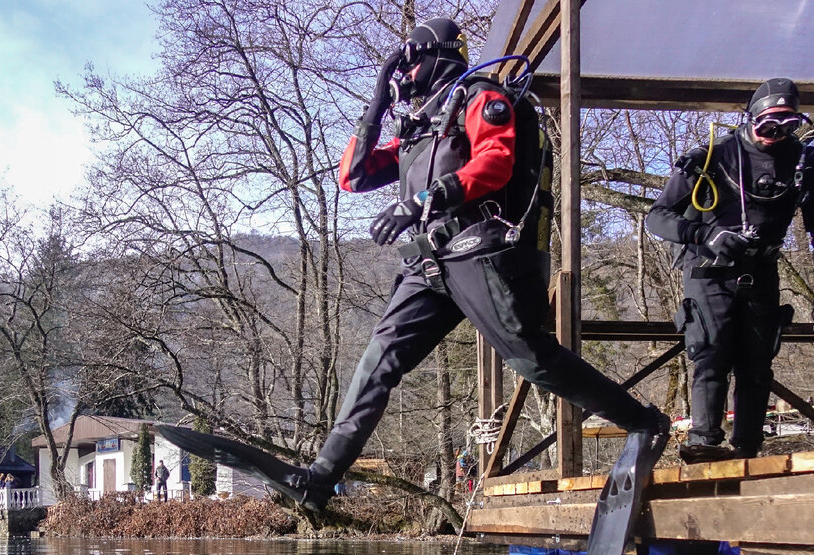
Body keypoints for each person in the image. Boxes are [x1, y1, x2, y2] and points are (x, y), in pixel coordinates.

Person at [276, 17, 668, 512]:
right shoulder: (422, 130)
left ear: (436, 54)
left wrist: (421, 199)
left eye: (409, 61)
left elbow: (496, 160)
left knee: (533, 359)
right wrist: (376, 100)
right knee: (377, 364)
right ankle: (321, 476)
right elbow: (352, 177)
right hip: (427, 267)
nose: (405, 72)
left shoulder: (481, 98)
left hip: (477, 251)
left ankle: (643, 421)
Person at [646, 78, 814, 463]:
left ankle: (748, 447)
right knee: (710, 353)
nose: (777, 134)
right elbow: (658, 217)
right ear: (750, 119)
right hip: (708, 271)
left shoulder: (807, 162)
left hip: (761, 271)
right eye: (768, 125)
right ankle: (705, 441)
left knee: (757, 362)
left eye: (788, 126)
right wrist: (705, 234)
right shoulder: (713, 155)